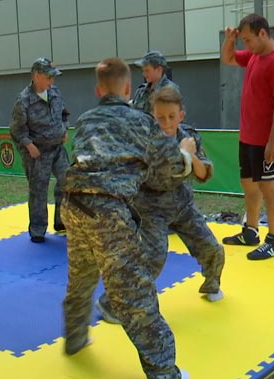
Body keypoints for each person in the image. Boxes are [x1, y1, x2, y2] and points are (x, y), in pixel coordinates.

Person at [61, 57, 196, 379]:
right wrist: (187, 154)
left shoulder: (85, 119)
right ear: (126, 89)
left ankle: (75, 338)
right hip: (107, 210)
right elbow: (169, 167)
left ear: (98, 90)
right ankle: (164, 372)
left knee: (82, 276)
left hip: (73, 205)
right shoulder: (139, 121)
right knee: (133, 292)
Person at [96, 86, 227, 325]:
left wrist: (191, 154)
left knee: (212, 248)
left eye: (171, 117)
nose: (166, 123)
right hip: (151, 207)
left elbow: (204, 173)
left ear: (181, 116)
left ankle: (211, 283)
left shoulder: (189, 137)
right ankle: (111, 302)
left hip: (182, 204)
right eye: (160, 117)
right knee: (153, 256)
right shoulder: (146, 141)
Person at [220, 13, 274, 260]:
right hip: (248, 136)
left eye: (248, 40)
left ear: (263, 33)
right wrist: (230, 39)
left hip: (266, 140)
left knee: (268, 186)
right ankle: (250, 230)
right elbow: (228, 58)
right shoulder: (254, 55)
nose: (246, 45)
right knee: (248, 184)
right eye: (243, 40)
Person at [9, 57, 70, 243]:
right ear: (36, 76)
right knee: (38, 190)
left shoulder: (55, 92)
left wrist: (65, 128)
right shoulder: (24, 100)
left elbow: (64, 114)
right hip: (37, 152)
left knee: (67, 182)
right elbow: (16, 129)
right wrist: (29, 145)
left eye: (53, 77)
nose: (52, 81)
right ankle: (37, 230)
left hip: (58, 148)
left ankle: (61, 221)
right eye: (49, 77)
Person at [130, 50, 179, 114]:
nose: (144, 74)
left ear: (159, 69)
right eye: (143, 71)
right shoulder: (141, 91)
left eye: (147, 70)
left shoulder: (170, 90)